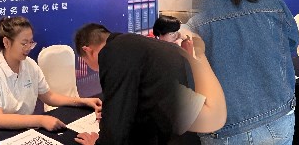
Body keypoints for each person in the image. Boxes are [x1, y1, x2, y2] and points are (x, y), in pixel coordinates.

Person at [187, 0, 299, 144]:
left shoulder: (186, 10)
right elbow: (292, 41)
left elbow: (185, 74)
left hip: (224, 128)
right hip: (278, 116)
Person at [74, 22, 224, 144]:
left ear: (87, 50)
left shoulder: (111, 53)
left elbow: (116, 131)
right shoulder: (134, 44)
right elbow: (137, 95)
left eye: (86, 62)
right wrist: (109, 111)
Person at [0, 16, 101, 136]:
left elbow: (49, 96)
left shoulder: (30, 65)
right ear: (7, 43)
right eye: (24, 43)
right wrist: (41, 120)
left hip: (19, 131)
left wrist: (83, 101)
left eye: (31, 42)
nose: (28, 47)